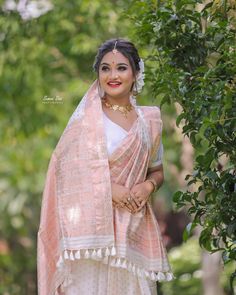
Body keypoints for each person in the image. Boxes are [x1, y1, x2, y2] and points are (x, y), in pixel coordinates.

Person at [37, 38, 174, 295]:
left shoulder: (150, 121)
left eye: (121, 68)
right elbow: (65, 172)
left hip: (133, 233)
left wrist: (148, 185)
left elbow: (156, 169)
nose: (113, 75)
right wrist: (109, 189)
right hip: (91, 236)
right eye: (105, 68)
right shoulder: (87, 120)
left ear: (136, 73)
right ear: (98, 74)